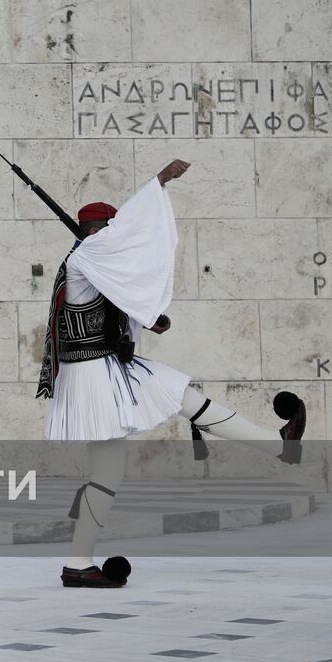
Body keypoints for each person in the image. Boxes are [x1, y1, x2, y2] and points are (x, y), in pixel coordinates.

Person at [39, 159, 306, 589]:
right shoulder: (87, 257)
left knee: (183, 397)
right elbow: (123, 261)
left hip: (107, 368)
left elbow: (123, 300)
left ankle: (278, 447)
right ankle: (77, 563)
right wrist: (157, 184)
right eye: (111, 229)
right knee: (110, 471)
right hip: (93, 377)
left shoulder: (95, 261)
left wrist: (150, 319)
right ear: (97, 232)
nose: (118, 237)